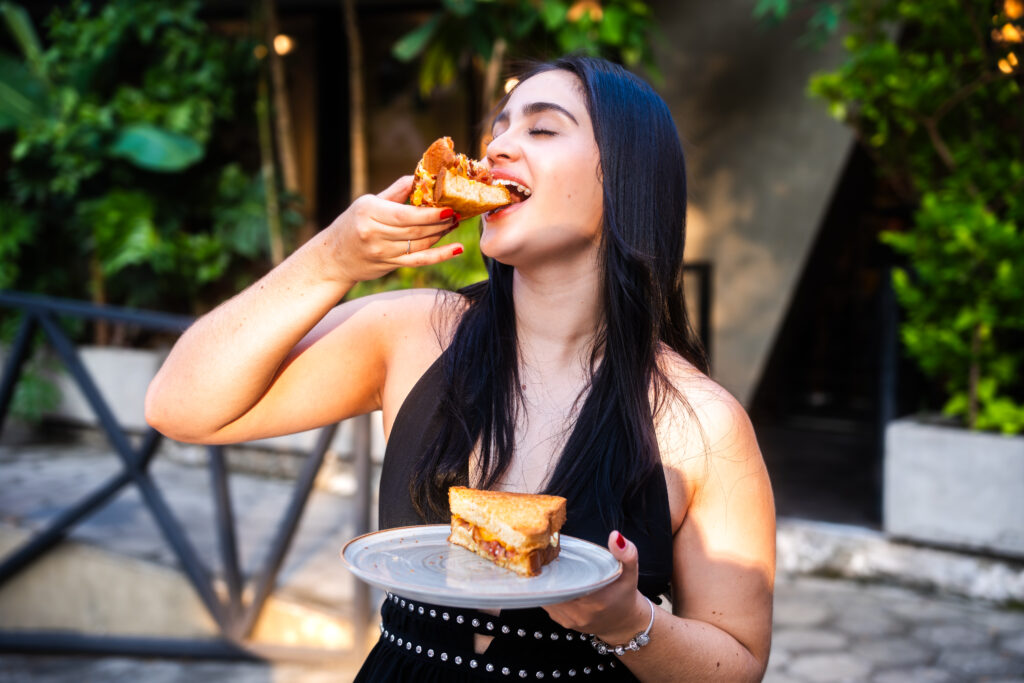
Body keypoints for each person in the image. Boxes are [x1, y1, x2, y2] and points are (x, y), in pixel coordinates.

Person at [146, 55, 775, 682]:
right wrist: (332, 259)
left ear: (625, 176)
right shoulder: (415, 333)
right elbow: (180, 407)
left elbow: (738, 665)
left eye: (541, 128)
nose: (497, 147)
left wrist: (628, 623)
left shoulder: (702, 423)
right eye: (498, 128)